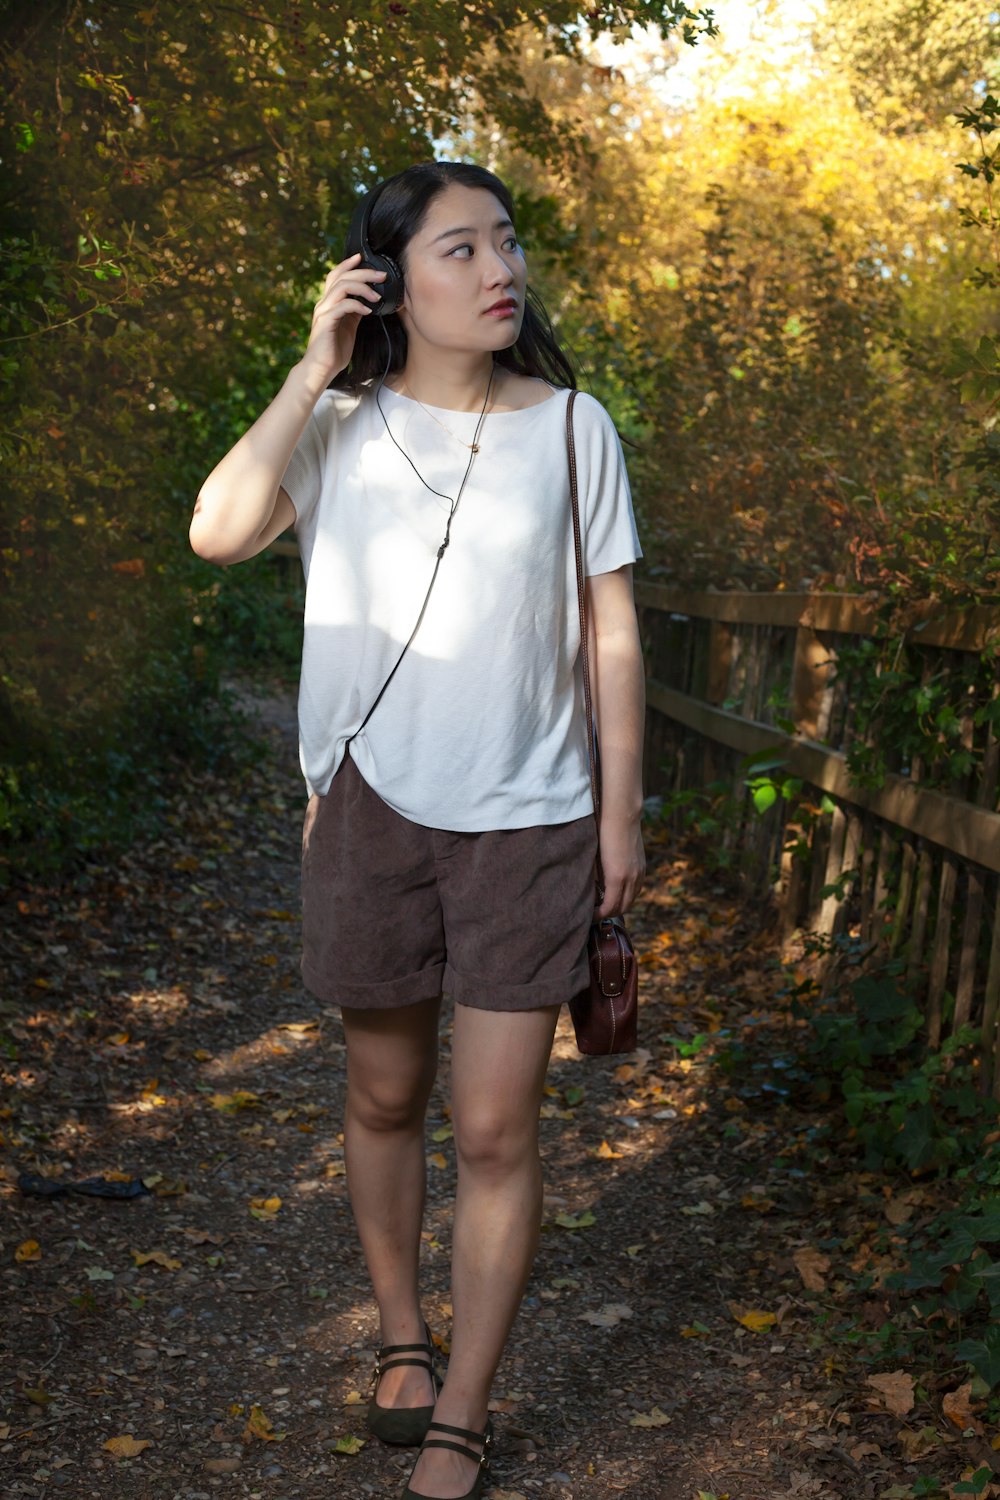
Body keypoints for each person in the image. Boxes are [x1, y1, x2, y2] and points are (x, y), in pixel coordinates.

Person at [189, 160, 645, 1500]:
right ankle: (400, 1334)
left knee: (498, 1130)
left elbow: (610, 630)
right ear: (389, 281)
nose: (500, 270)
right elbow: (218, 532)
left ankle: (463, 1406)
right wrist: (306, 367)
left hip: (537, 818)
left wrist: (622, 814)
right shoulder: (332, 429)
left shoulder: (574, 429)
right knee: (384, 1095)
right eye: (460, 249)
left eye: (505, 243)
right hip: (371, 807)